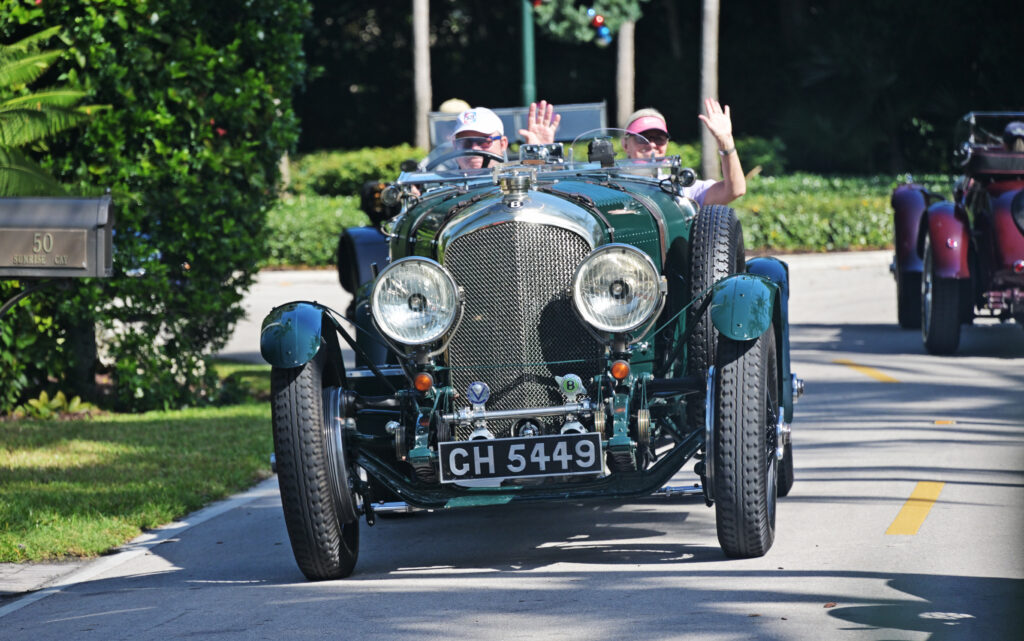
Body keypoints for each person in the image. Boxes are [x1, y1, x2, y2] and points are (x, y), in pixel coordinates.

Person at [622, 98, 746, 206]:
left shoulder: (681, 188)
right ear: (625, 144)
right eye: (642, 138)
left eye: (659, 139)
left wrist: (725, 141)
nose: (652, 144)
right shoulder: (609, 184)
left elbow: (735, 190)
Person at [450, 100, 561, 169]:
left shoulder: (519, 181)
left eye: (483, 141)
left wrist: (541, 158)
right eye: (466, 142)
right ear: (455, 146)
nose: (474, 148)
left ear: (503, 144)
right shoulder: (440, 183)